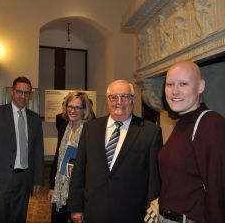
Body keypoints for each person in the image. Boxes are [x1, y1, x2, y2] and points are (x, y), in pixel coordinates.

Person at [68, 79, 163, 223]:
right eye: (114, 97)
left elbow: (154, 180)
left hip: (132, 214)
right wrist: (76, 207)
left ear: (133, 100)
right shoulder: (91, 128)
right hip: (94, 211)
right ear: (108, 100)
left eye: (125, 96)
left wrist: (151, 215)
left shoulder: (150, 132)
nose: (119, 101)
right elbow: (79, 170)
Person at [158, 60, 225, 223]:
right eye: (169, 84)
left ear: (200, 86)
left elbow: (223, 191)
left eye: (183, 83)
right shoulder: (182, 123)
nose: (174, 91)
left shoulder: (211, 124)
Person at [0, 76, 44, 223]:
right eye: (19, 92)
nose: (23, 96)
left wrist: (38, 179)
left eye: (27, 93)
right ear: (12, 92)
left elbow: (38, 151)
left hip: (24, 180)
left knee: (19, 218)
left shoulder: (34, 119)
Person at [48, 92, 94, 223]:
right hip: (60, 189)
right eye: (70, 106)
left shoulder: (90, 130)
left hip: (79, 191)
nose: (72, 110)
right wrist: (52, 186)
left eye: (77, 107)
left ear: (84, 109)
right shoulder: (64, 127)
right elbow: (58, 158)